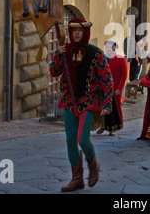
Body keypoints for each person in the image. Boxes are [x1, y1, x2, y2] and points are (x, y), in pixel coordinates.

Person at [50, 18, 121, 191]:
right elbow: (54, 72)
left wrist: (106, 104)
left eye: (79, 31)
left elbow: (107, 80)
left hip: (88, 101)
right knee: (70, 141)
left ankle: (93, 164)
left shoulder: (95, 53)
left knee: (82, 139)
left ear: (85, 32)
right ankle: (77, 179)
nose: (76, 33)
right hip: (69, 101)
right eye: (73, 30)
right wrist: (58, 55)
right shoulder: (63, 51)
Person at [96, 40, 128, 136]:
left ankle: (114, 128)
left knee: (115, 108)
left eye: (109, 47)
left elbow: (124, 75)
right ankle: (103, 125)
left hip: (115, 88)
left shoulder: (121, 59)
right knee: (103, 107)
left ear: (114, 48)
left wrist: (119, 88)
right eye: (106, 47)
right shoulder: (104, 59)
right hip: (104, 88)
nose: (107, 49)